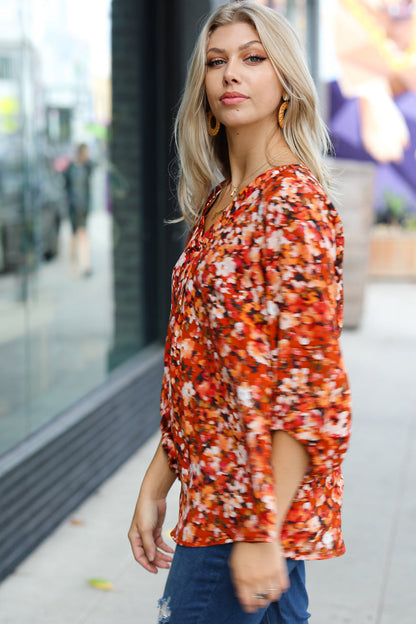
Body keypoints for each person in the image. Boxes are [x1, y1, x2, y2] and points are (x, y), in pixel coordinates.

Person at [128, 2, 352, 622]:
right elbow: (203, 378)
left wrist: (262, 532)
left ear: (284, 81)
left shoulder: (292, 205)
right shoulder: (223, 203)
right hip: (218, 508)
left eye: (254, 59)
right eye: (216, 61)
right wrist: (156, 482)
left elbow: (312, 393)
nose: (232, 74)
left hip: (243, 523)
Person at [64, 143, 94, 277]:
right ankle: (76, 264)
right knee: (75, 236)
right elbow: (66, 187)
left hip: (83, 207)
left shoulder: (87, 167)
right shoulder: (70, 169)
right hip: (73, 207)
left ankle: (85, 265)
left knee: (82, 234)